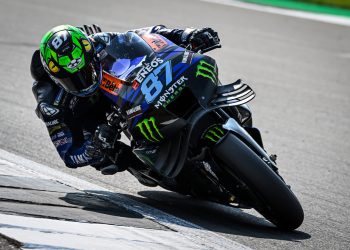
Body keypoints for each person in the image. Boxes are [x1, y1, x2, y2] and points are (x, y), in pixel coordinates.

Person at [30, 24, 220, 184]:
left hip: (126, 93)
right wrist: (92, 148)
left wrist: (188, 35)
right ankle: (145, 167)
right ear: (55, 78)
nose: (83, 80)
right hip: (93, 117)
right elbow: (69, 155)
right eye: (72, 79)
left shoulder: (99, 43)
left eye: (86, 70)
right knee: (112, 158)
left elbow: (148, 35)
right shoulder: (51, 102)